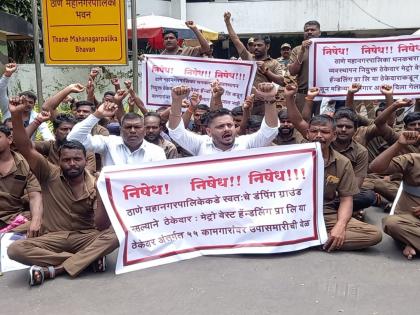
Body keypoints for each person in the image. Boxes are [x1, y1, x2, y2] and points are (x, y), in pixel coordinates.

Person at [7, 97, 119, 286]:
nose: (72, 163)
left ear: (85, 159)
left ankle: (57, 268)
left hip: (85, 236)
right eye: (67, 160)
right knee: (15, 250)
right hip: (52, 237)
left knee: (116, 234)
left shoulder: (95, 182)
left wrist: (101, 192)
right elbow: (24, 146)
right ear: (59, 160)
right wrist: (16, 115)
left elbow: (100, 225)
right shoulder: (49, 173)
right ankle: (86, 260)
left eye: (77, 159)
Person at [284, 84, 382, 251]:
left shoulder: (343, 162)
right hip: (293, 210)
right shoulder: (294, 155)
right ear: (307, 134)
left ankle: (308, 238)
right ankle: (317, 237)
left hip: (326, 209)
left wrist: (340, 226)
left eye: (325, 132)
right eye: (314, 131)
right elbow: (298, 119)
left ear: (333, 135)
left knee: (374, 235)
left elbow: (346, 198)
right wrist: (290, 97)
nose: (319, 136)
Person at [168, 83, 279, 156]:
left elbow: (269, 131)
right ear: (208, 132)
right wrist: (176, 101)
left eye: (230, 125)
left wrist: (269, 100)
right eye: (220, 126)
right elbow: (176, 132)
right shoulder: (200, 144)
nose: (227, 129)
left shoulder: (246, 143)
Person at [67, 100, 166, 166]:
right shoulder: (108, 143)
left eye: (137, 127)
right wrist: (97, 115)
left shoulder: (157, 152)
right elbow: (73, 139)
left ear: (144, 130)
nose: (132, 131)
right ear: (121, 130)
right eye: (128, 127)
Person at [370, 131, 420, 259]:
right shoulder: (413, 159)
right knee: (391, 223)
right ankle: (411, 240)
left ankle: (411, 242)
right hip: (411, 221)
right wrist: (399, 144)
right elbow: (376, 167)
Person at [0, 123, 42, 236]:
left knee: (43, 220)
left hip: (14, 218)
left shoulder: (25, 164)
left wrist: (36, 221)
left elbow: (35, 196)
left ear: (9, 139)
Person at [0, 64, 54, 141]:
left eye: (30, 102)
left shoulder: (37, 117)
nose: (27, 104)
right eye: (24, 101)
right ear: (19, 100)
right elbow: (1, 91)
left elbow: (46, 133)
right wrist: (7, 75)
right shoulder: (8, 108)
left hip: (25, 150)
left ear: (34, 105)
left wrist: (51, 143)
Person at [288, 21, 321, 112]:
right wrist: (302, 51)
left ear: (319, 32)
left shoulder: (328, 49)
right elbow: (293, 71)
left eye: (313, 29)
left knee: (323, 123)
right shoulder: (297, 50)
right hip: (303, 94)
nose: (309, 32)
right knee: (302, 123)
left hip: (323, 95)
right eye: (307, 30)